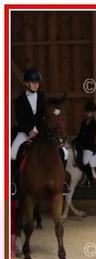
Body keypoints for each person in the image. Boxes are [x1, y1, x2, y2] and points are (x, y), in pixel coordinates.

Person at [11, 68, 47, 196]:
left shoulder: (42, 98)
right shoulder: (20, 100)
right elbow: (20, 117)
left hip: (40, 132)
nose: (36, 85)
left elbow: (44, 116)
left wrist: (40, 129)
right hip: (24, 132)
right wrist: (28, 131)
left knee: (63, 152)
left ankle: (62, 182)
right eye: (33, 82)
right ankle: (12, 182)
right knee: (12, 153)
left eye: (38, 82)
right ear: (26, 83)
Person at [72, 102, 96, 187]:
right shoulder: (84, 122)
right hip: (82, 145)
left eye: (89, 112)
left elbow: (90, 137)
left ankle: (90, 179)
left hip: (89, 146)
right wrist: (74, 141)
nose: (87, 113)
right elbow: (80, 134)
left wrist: (80, 142)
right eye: (87, 111)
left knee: (85, 161)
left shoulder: (95, 124)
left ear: (93, 113)